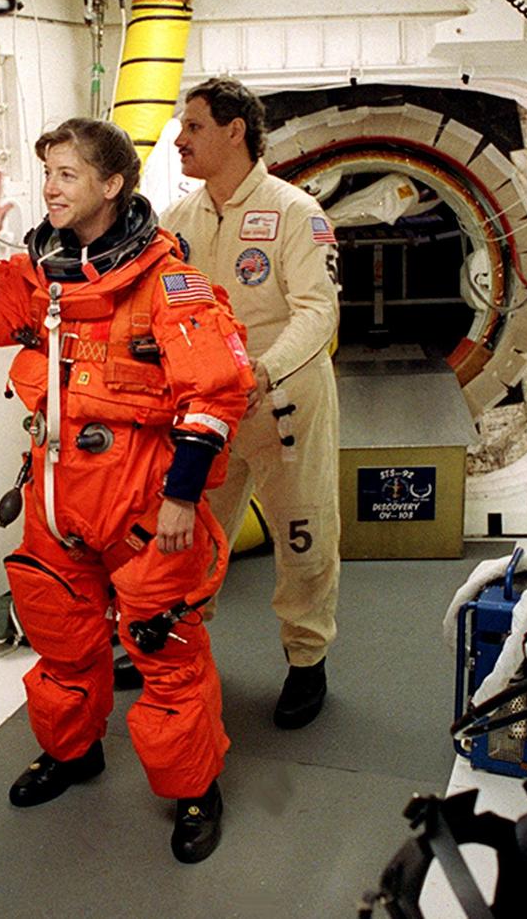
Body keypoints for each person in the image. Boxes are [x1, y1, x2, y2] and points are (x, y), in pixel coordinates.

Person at [0, 118, 252, 863]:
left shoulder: (167, 282)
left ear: (111, 186)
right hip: (56, 498)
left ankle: (195, 788)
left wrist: (180, 497)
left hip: (141, 503)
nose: (50, 187)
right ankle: (74, 755)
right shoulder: (44, 276)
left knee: (162, 650)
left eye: (67, 174)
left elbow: (219, 389)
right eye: (47, 173)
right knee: (62, 640)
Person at [161, 77, 341, 730]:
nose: (180, 139)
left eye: (195, 127)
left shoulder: (295, 213)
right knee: (192, 533)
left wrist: (263, 371)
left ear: (235, 131)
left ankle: (306, 659)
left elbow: (318, 311)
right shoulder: (177, 220)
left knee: (303, 533)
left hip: (283, 401)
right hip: (206, 412)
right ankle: (182, 645)